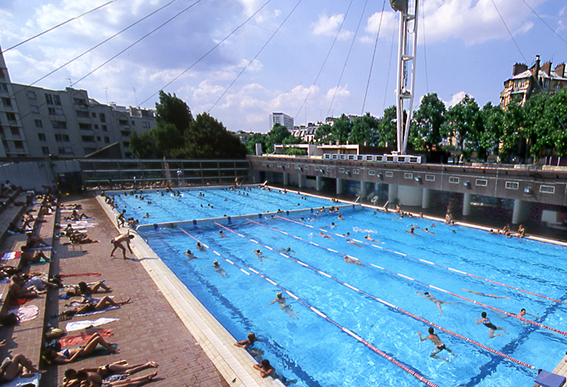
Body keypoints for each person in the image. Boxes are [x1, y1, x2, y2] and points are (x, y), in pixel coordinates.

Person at [44, 332, 118, 364]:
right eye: (53, 353)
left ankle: (106, 344)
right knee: (97, 338)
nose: (54, 352)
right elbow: (70, 360)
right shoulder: (57, 359)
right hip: (83, 352)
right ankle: (109, 348)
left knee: (96, 334)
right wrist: (78, 352)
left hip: (81, 348)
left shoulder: (57, 353)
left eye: (53, 352)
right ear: (51, 356)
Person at [63, 296, 131, 316]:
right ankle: (121, 303)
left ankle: (124, 302)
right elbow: (85, 307)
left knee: (110, 303)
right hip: (96, 308)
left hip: (95, 305)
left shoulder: (76, 308)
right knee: (105, 298)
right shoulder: (78, 311)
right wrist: (86, 304)